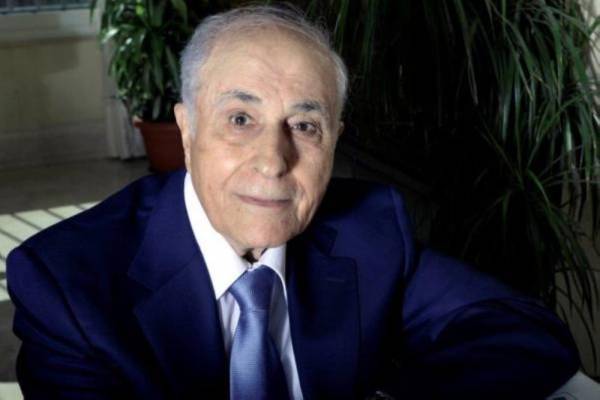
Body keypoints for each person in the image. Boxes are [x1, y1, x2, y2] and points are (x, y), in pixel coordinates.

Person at [7, 5, 579, 399]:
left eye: (305, 126)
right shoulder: (67, 283)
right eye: (240, 119)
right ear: (186, 129)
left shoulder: (368, 229)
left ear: (334, 140)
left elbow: (524, 334)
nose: (273, 161)